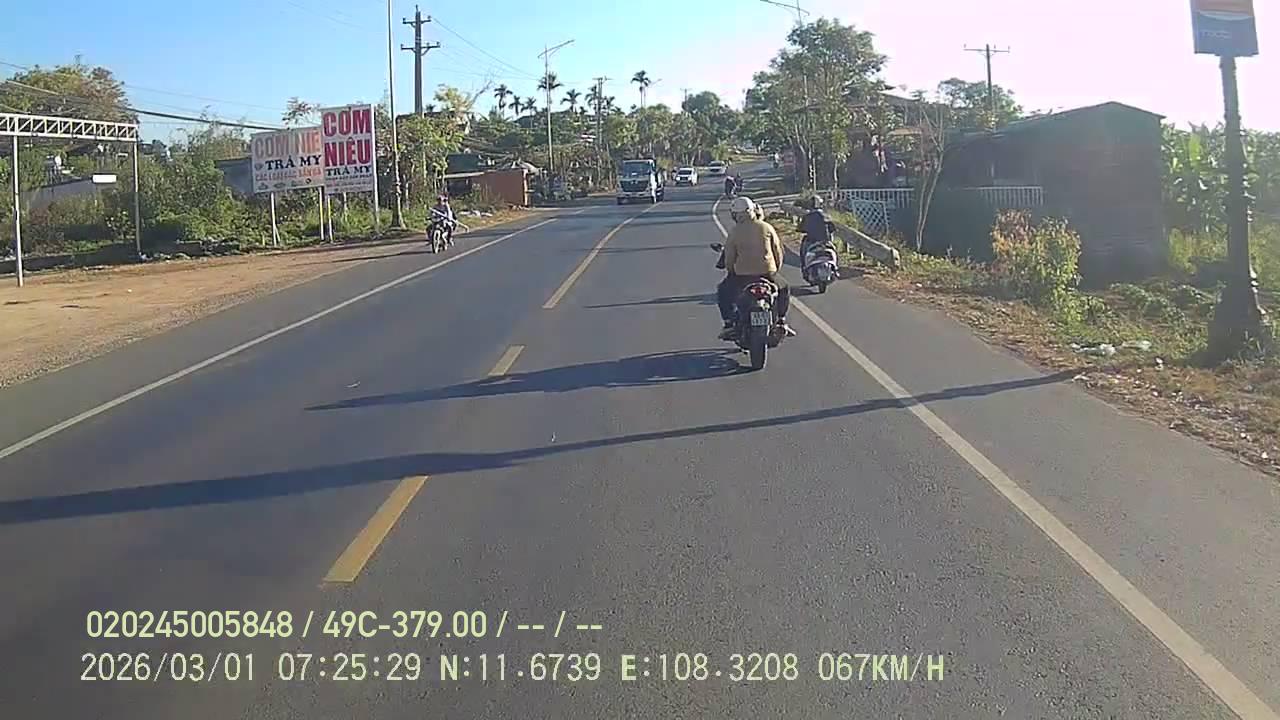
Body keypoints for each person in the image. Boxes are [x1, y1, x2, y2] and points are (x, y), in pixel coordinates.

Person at [717, 196, 794, 340]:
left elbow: (729, 258)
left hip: (742, 277)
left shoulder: (735, 232)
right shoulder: (766, 227)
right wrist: (775, 270)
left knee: (723, 291)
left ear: (735, 214)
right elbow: (778, 251)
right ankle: (781, 320)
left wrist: (731, 271)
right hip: (767, 274)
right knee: (784, 288)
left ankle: (728, 323)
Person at [798, 194, 833, 260]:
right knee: (834, 251)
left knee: (803, 250)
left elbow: (801, 228)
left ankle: (803, 264)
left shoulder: (808, 216)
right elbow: (832, 228)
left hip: (811, 242)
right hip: (825, 242)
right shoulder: (826, 216)